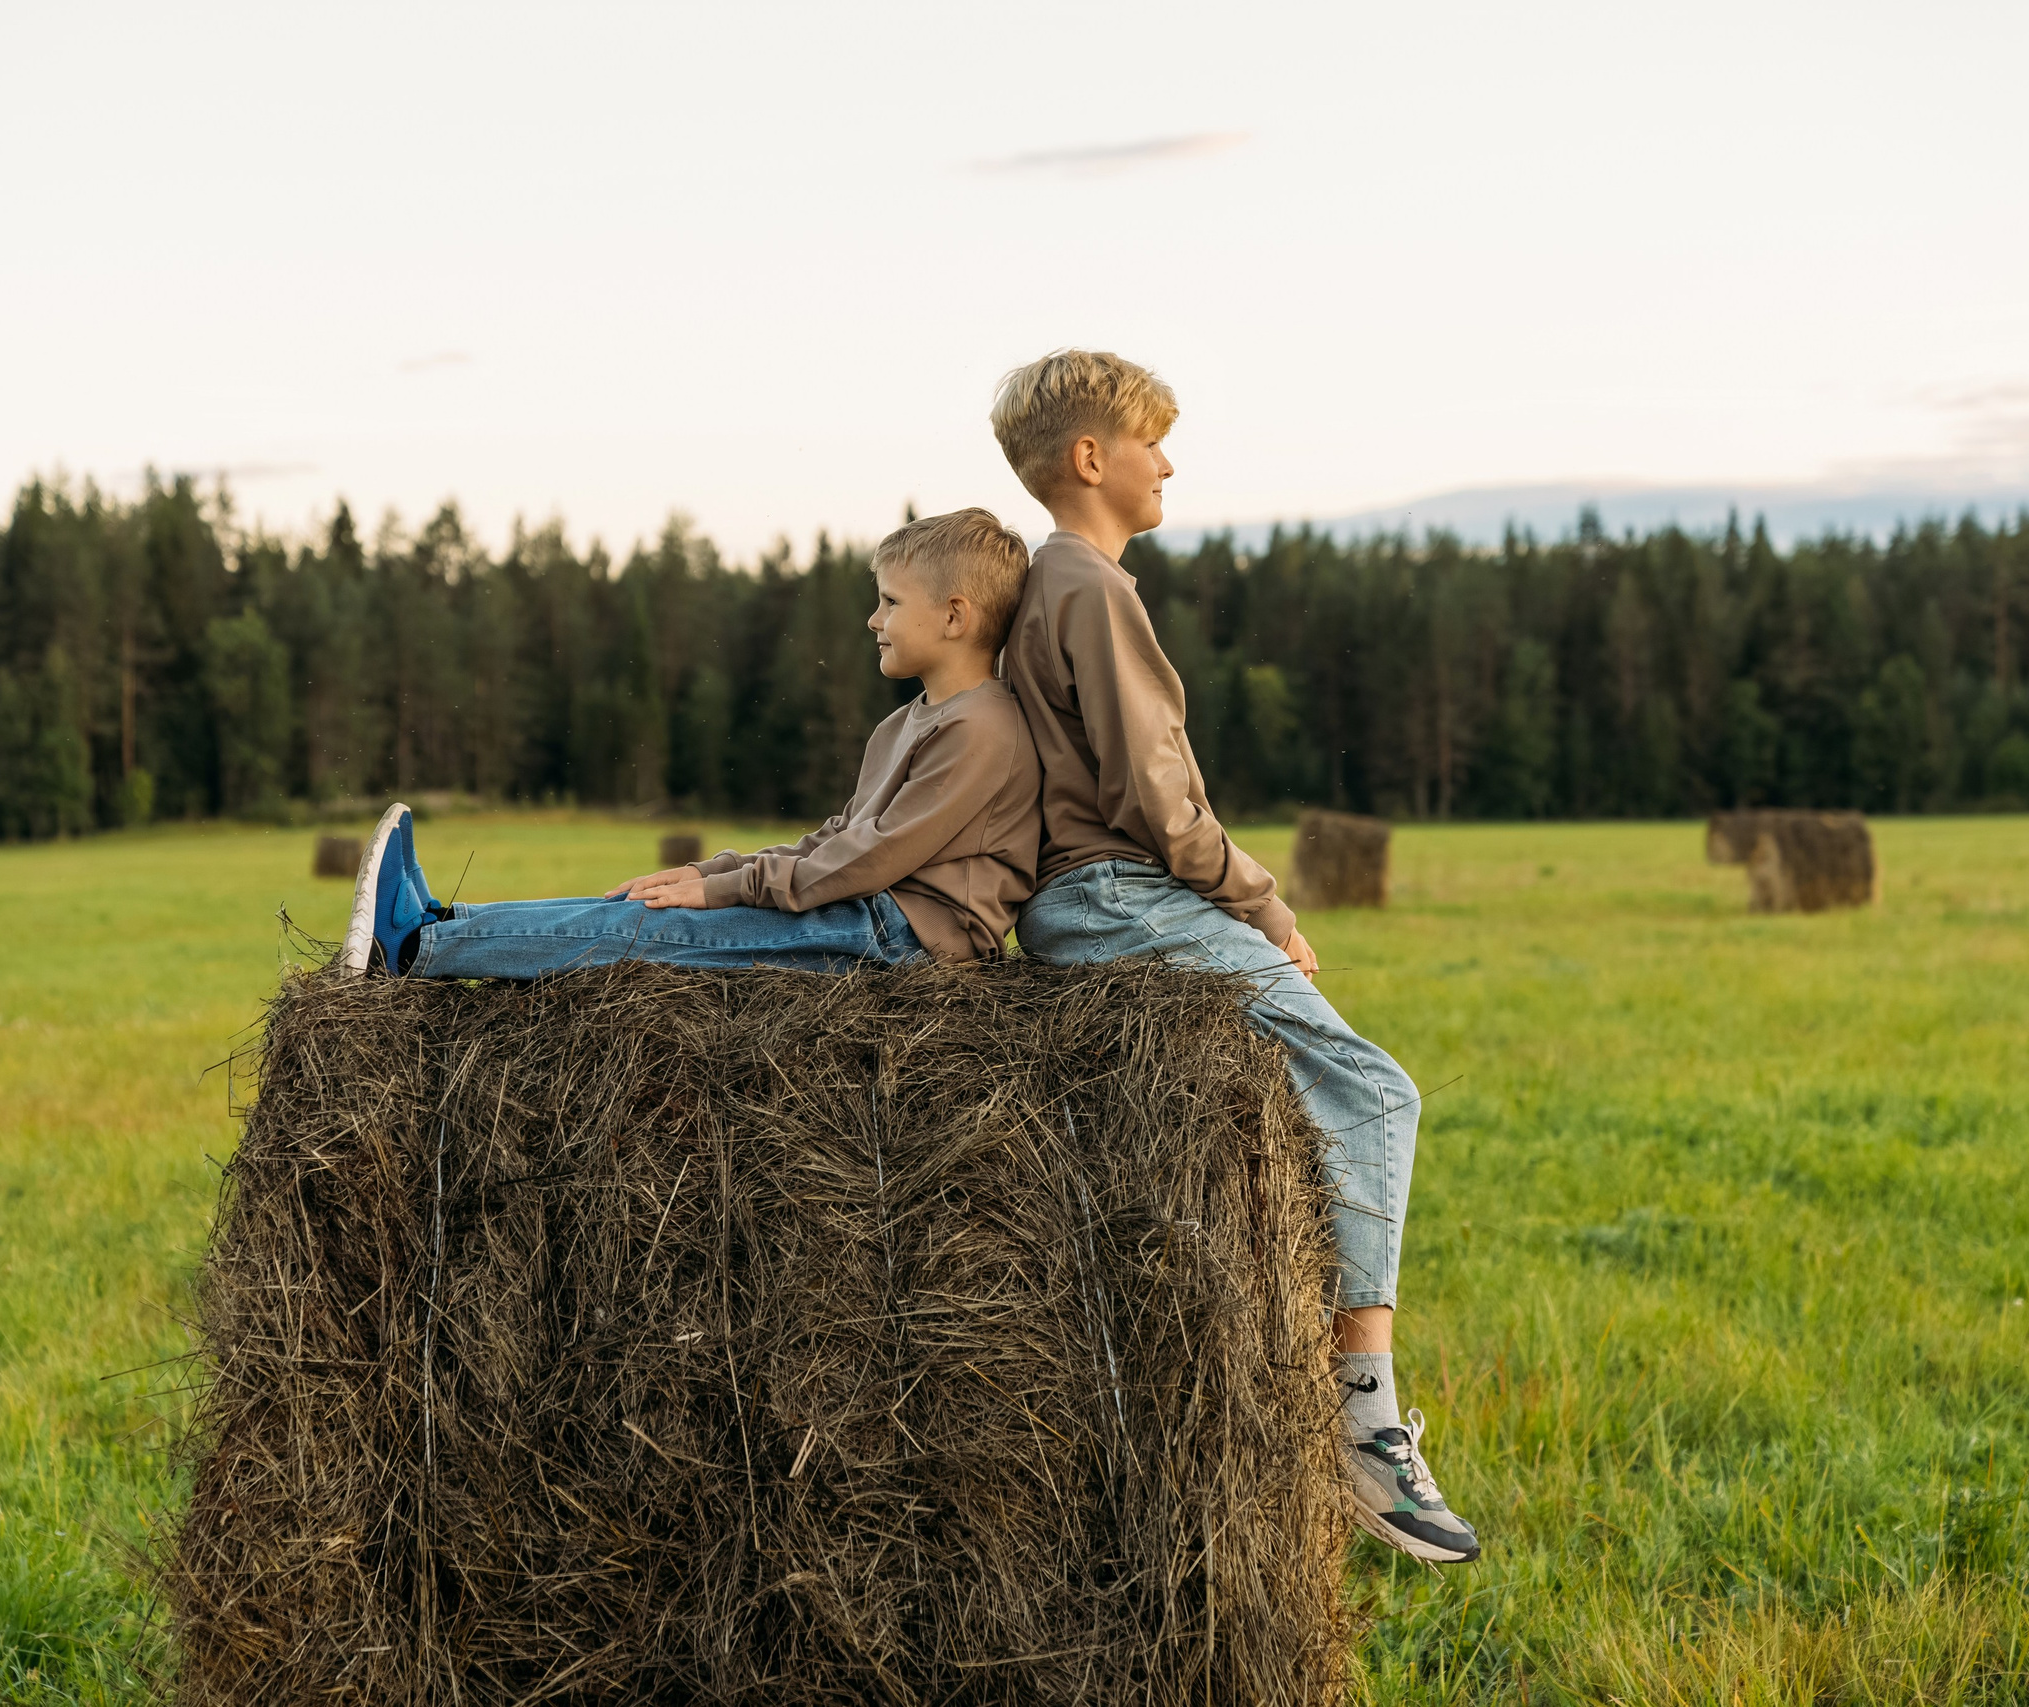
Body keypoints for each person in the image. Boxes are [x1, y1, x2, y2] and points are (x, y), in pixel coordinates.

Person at [989, 349, 1479, 1565]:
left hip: (1079, 903)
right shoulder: (1091, 588)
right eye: (1152, 441)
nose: (1168, 463)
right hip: (1117, 899)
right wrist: (1261, 903)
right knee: (1373, 1090)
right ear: (1090, 461)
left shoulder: (1047, 588)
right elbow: (1155, 793)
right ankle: (1361, 1422)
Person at [339, 508, 1042, 981]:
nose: (871, 618)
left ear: (955, 616)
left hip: (901, 944)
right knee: (640, 909)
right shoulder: (908, 721)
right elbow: (839, 837)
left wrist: (724, 890)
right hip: (866, 917)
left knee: (657, 937)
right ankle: (435, 925)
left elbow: (870, 860)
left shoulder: (983, 728)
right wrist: (714, 870)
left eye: (891, 601)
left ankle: (411, 949)